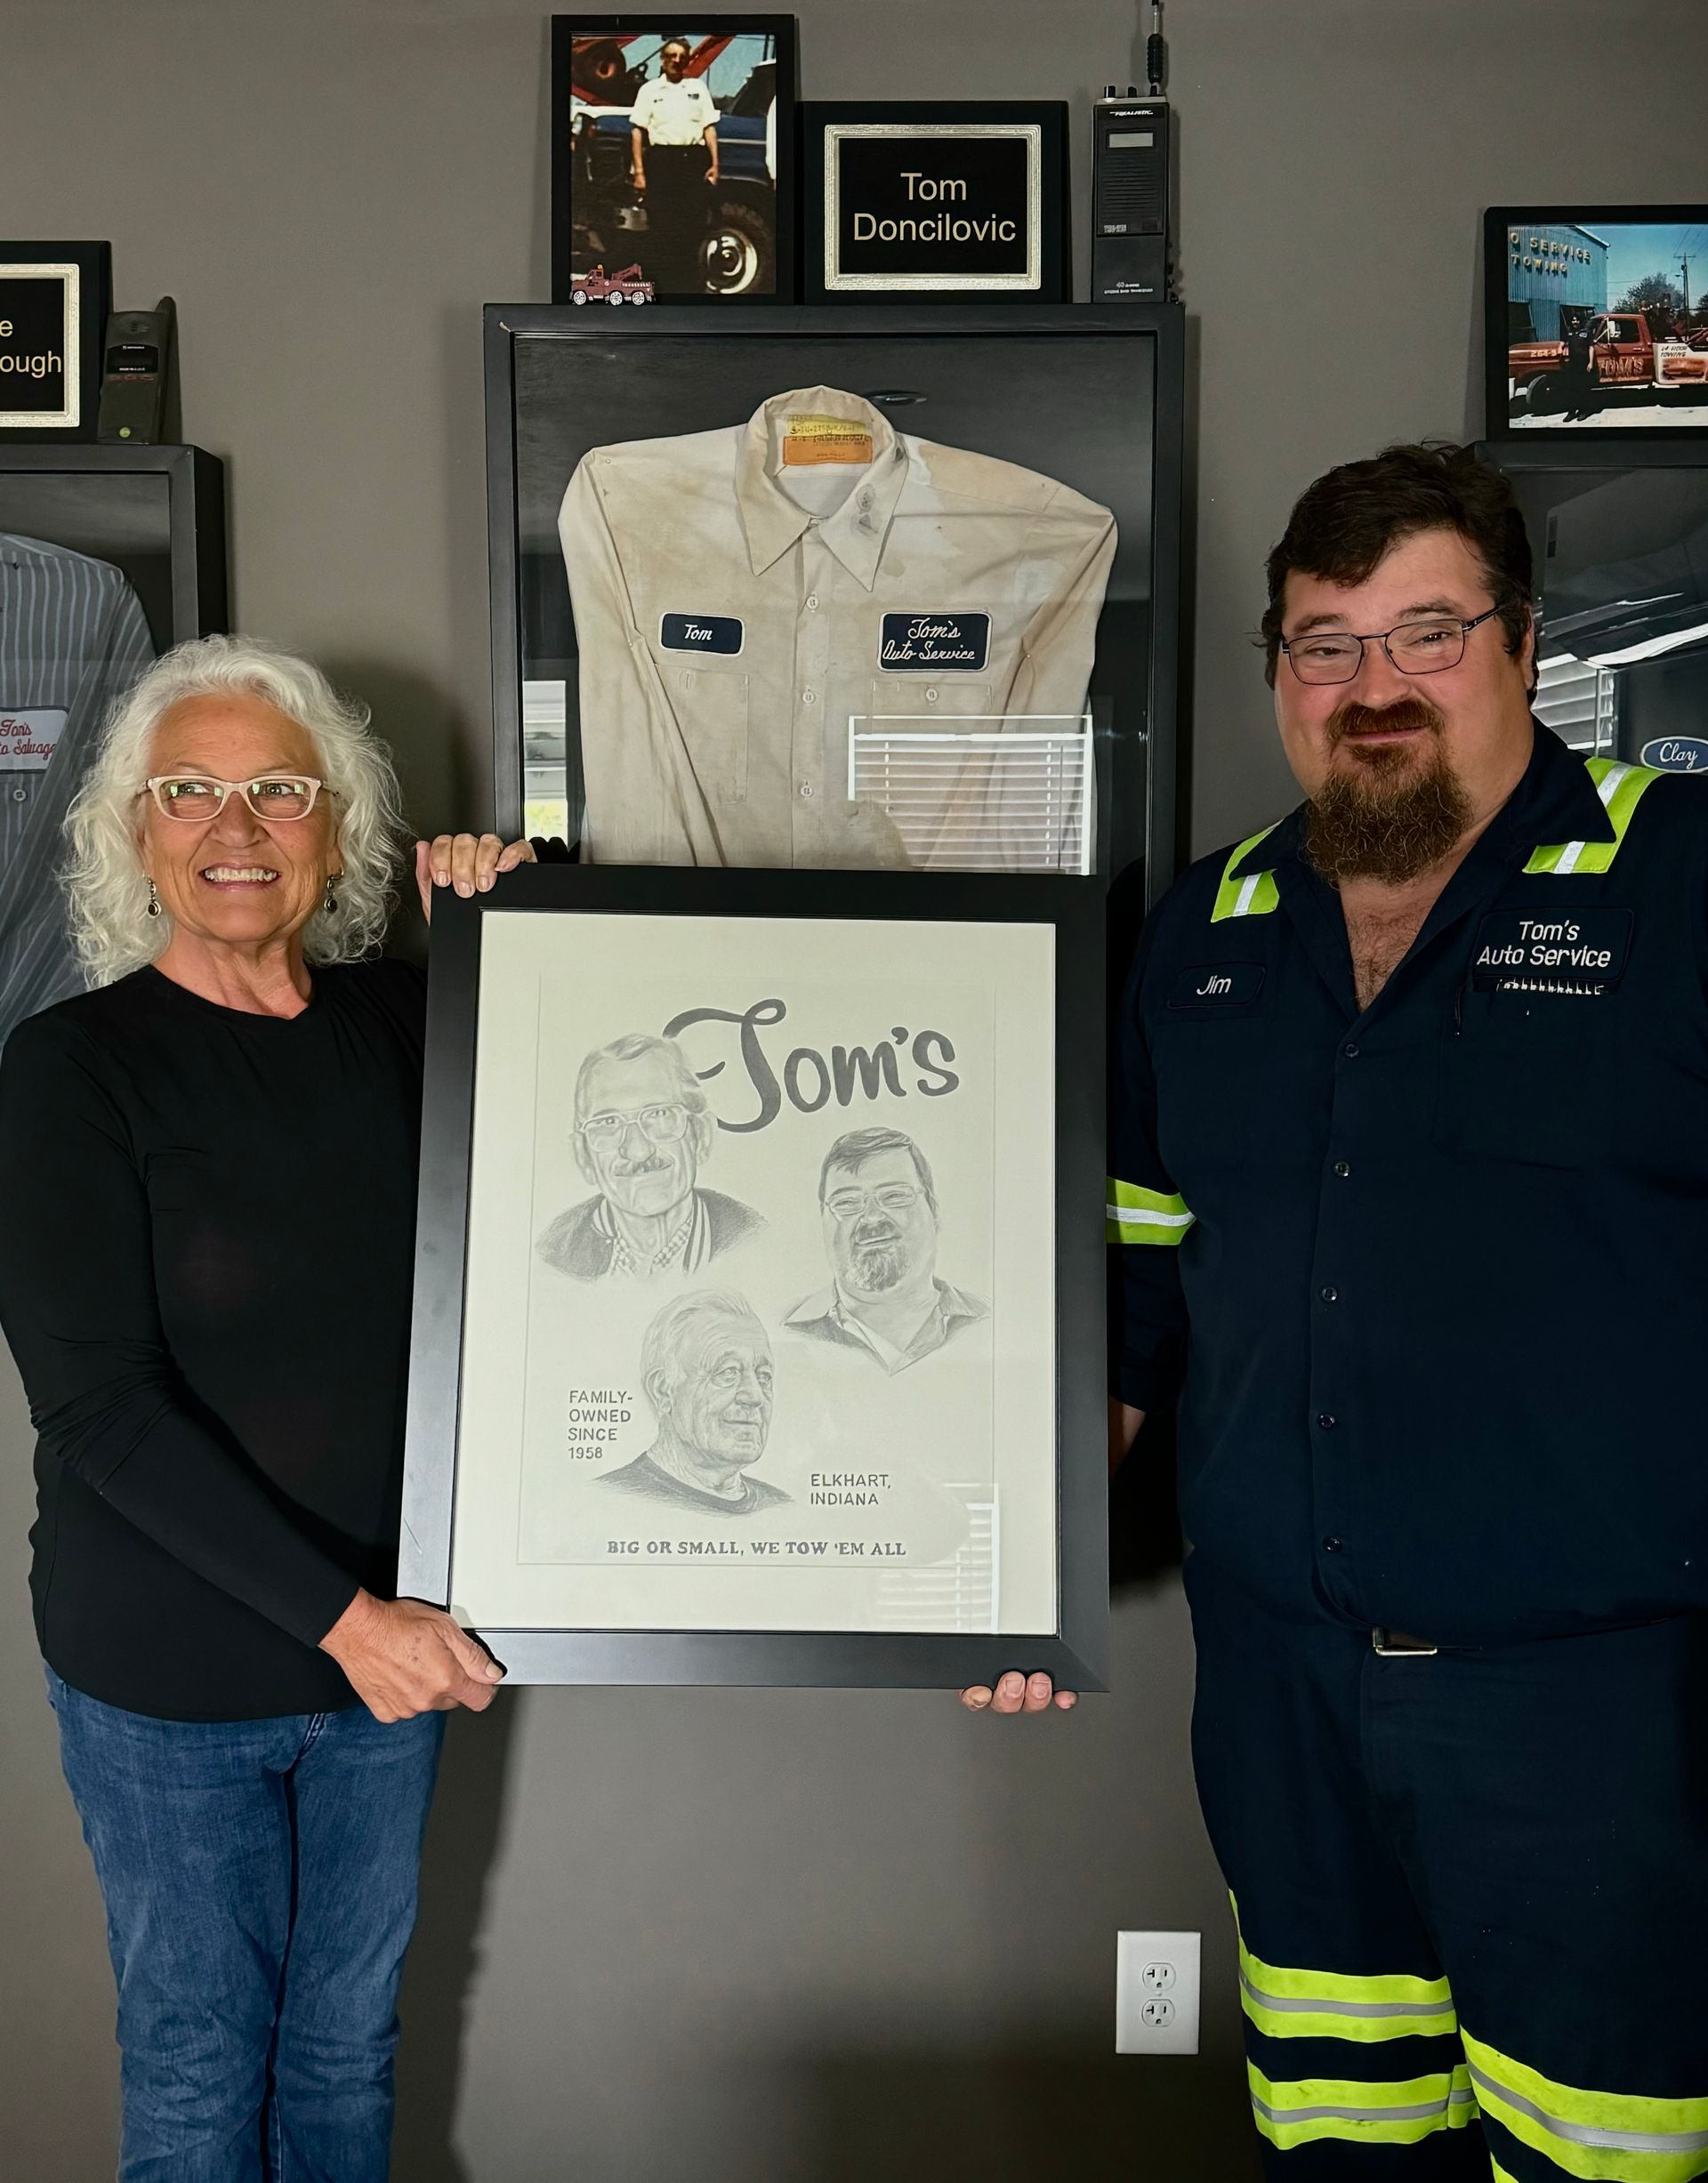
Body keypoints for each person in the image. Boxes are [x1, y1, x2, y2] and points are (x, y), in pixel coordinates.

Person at [970, 445, 1708, 2177]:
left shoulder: (1676, 881)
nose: (1373, 688)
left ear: (1524, 646)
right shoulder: (1204, 937)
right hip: (1281, 1698)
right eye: (1324, 644)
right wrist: (1027, 1567)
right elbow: (1137, 1293)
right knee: (1341, 2135)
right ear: (1280, 673)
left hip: (1589, 1711)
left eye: (1426, 632)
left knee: (1607, 2153)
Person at [0, 633, 554, 2183]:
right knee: (196, 2072)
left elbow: (599, 1068)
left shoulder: (401, 1021)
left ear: (338, 827)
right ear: (134, 830)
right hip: (175, 1675)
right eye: (189, 790)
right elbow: (102, 1406)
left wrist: (529, 893)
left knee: (342, 2050)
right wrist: (350, 1619)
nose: (234, 827)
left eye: (277, 791)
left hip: (391, 1652)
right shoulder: (68, 1071)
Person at [536, 1029, 764, 1280]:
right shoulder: (552, 1256)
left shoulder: (752, 1240)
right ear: (583, 1157)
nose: (638, 1151)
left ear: (702, 1136)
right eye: (609, 1121)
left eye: (660, 1114)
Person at [785, 1125, 987, 1373]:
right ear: (822, 1219)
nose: (870, 1218)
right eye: (846, 1202)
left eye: (894, 1196)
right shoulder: (774, 1331)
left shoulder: (992, 1322)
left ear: (933, 1210)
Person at [600, 1289, 790, 1514]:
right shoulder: (611, 1500)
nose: (755, 1396)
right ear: (663, 1391)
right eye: (728, 1372)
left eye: (764, 1376)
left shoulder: (781, 1506)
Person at [628, 35, 719, 292]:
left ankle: (689, 288)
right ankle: (661, 287)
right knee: (661, 226)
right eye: (671, 56)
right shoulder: (649, 91)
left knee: (692, 225)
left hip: (693, 162)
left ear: (687, 60)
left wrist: (715, 165)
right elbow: (637, 133)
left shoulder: (698, 89)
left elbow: (709, 128)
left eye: (682, 57)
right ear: (662, 59)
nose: (676, 61)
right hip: (662, 163)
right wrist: (640, 173)